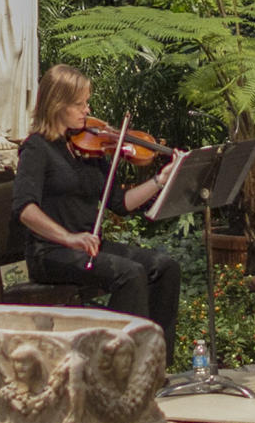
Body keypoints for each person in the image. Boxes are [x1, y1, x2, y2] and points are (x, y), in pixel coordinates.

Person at [13, 63, 186, 358]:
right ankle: (116, 363)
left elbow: (121, 203)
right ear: (56, 105)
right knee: (129, 274)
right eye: (79, 104)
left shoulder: (86, 148)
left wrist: (161, 180)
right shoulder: (36, 149)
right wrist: (69, 238)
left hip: (88, 248)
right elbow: (25, 209)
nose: (86, 110)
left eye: (86, 102)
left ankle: (156, 362)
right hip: (51, 253)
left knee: (165, 267)